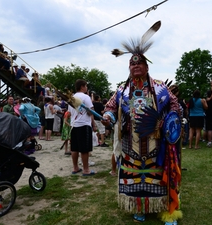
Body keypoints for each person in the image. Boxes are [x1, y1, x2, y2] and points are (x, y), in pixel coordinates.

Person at [102, 24, 182, 224]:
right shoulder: (122, 90)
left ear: (147, 67)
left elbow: (176, 106)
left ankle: (166, 210)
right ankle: (141, 208)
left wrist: (167, 122)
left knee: (159, 178)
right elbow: (110, 107)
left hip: (157, 143)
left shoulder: (161, 88)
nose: (135, 66)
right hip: (132, 144)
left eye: (139, 64)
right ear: (129, 68)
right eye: (132, 64)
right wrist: (109, 117)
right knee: (136, 179)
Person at [68, 79, 97, 176]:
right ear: (82, 87)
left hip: (74, 125)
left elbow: (70, 112)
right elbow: (90, 112)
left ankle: (75, 167)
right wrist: (93, 123)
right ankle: (86, 170)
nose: (86, 87)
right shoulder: (86, 97)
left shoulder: (71, 98)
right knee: (84, 148)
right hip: (84, 124)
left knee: (74, 148)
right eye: (86, 86)